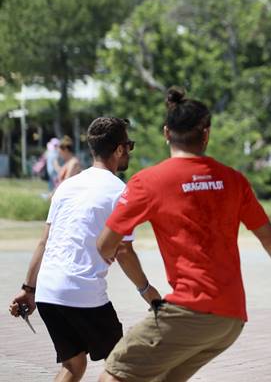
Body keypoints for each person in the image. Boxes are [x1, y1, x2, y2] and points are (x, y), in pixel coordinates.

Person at [96, 88, 271, 382]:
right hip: (230, 319)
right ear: (206, 134)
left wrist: (108, 253)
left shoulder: (148, 181)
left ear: (166, 132)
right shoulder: (233, 179)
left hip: (189, 311)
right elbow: (269, 237)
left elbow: (106, 244)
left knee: (115, 373)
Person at [7, 117, 158, 382]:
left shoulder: (67, 186)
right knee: (120, 367)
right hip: (82, 292)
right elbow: (123, 251)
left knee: (74, 365)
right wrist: (149, 293)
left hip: (48, 293)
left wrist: (28, 289)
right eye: (129, 145)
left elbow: (44, 241)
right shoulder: (120, 192)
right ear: (119, 149)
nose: (129, 152)